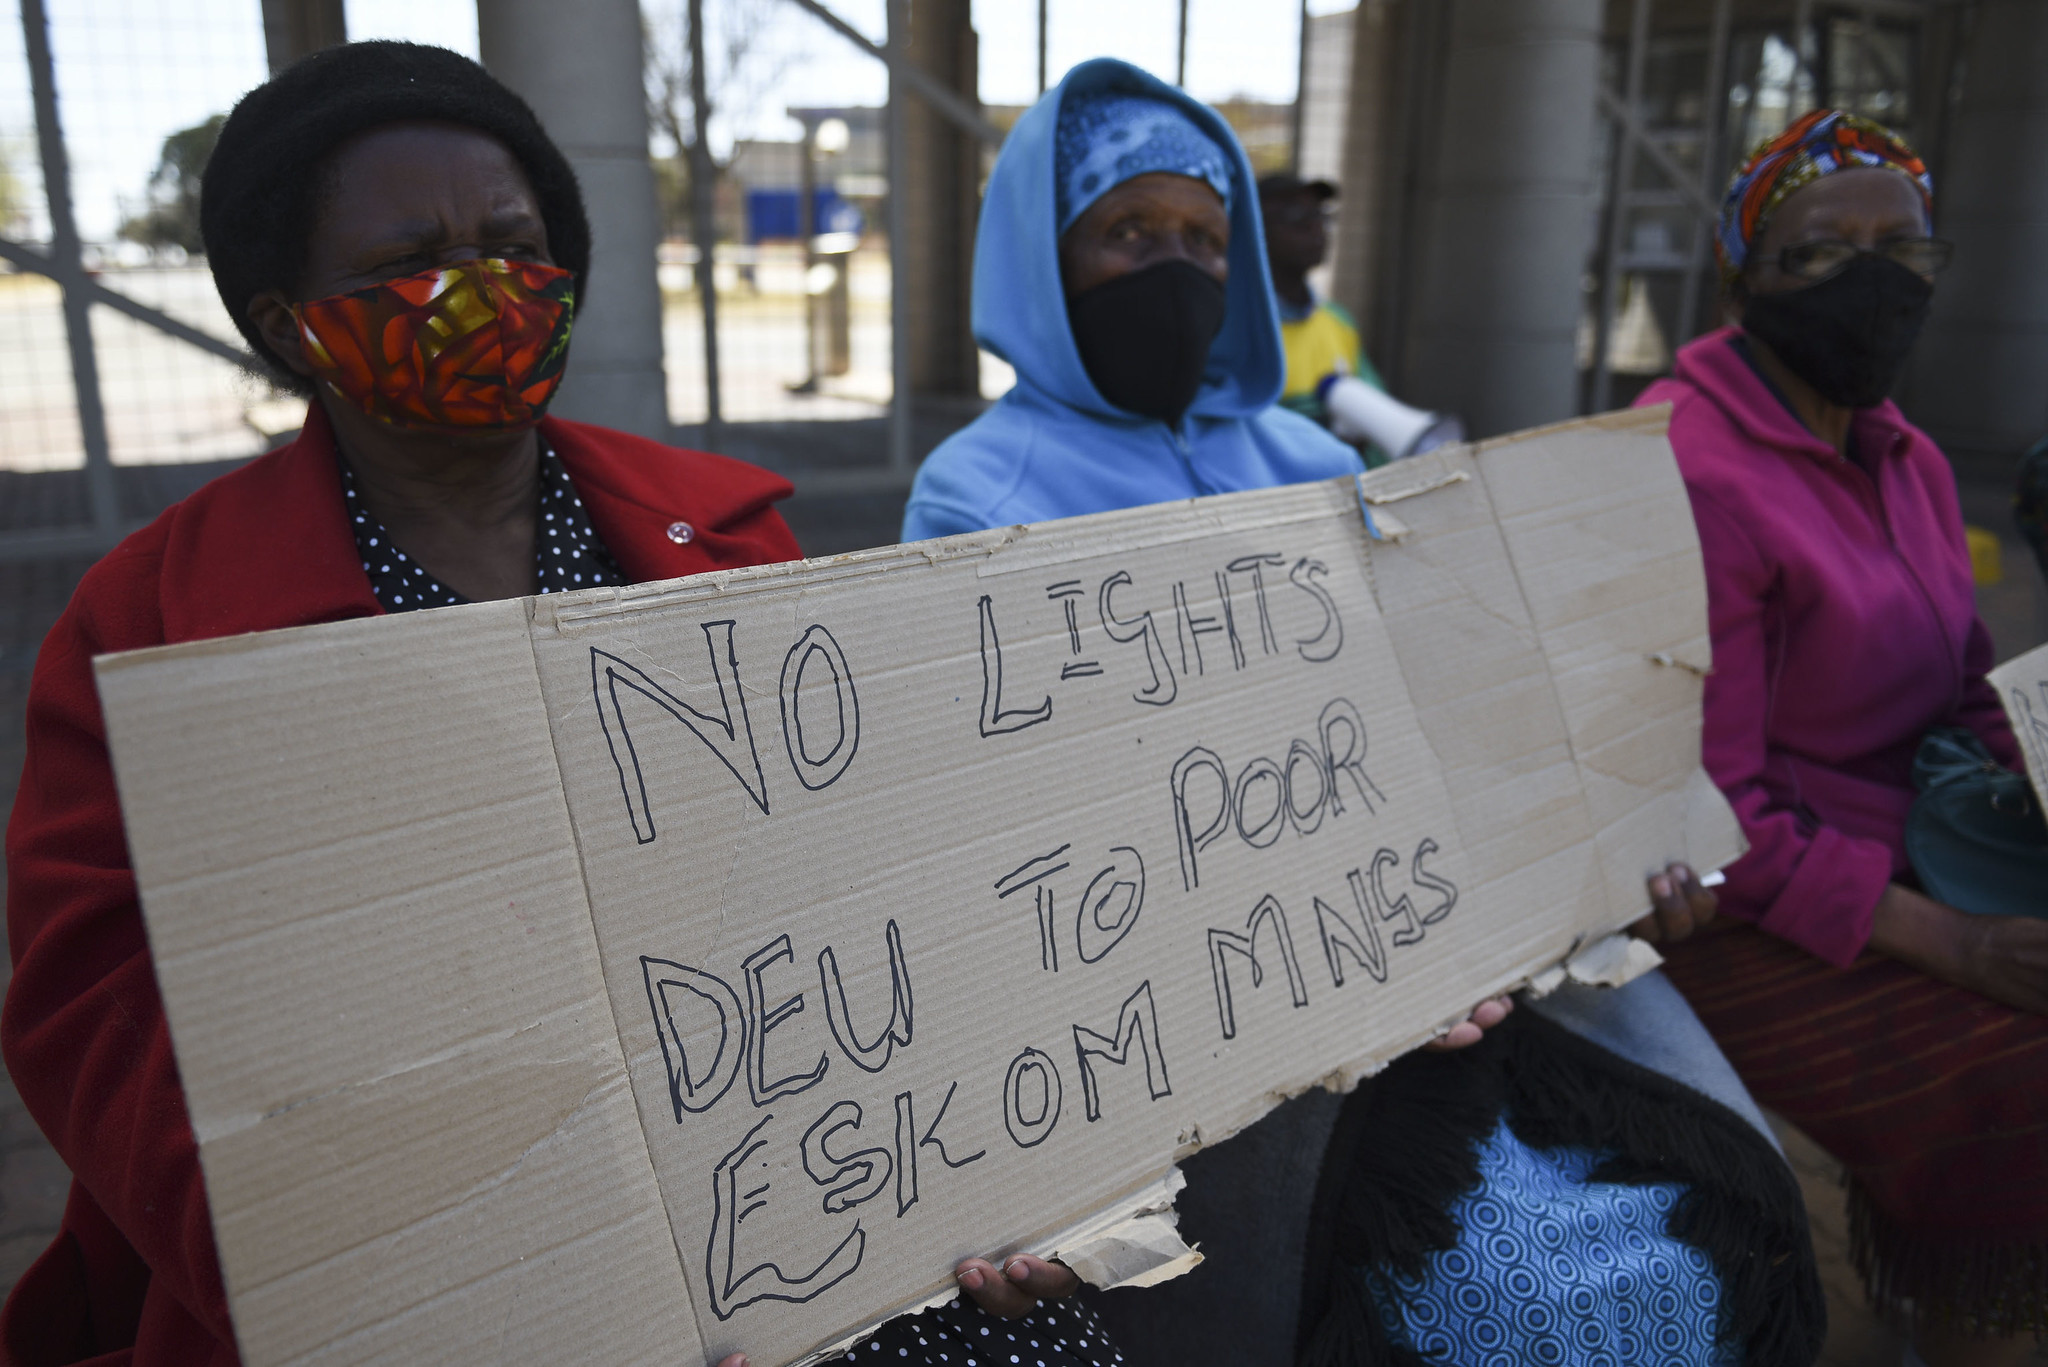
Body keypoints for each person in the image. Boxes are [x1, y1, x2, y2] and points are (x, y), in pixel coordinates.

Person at [0, 43, 1077, 1367]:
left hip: (788, 1189)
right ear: (288, 325)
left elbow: (856, 876)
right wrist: (429, 1296)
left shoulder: (726, 541)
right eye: (412, 259)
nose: (482, 290)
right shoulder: (148, 627)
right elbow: (105, 1021)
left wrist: (970, 1162)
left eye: (513, 246)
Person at [906, 57, 1821, 1367]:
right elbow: (1008, 829)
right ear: (1039, 262)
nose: (1176, 266)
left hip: (1444, 957)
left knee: (1701, 1234)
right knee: (1497, 1309)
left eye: (1204, 237)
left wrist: (1616, 837)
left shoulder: (1316, 460)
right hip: (1204, 1022)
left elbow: (1447, 718)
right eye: (1128, 232)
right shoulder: (972, 493)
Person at [1638, 108, 2048, 1364]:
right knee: (2018, 1079)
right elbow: (1714, 810)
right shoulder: (1683, 466)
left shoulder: (1904, 454)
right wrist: (1959, 941)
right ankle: (1961, 1319)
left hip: (1916, 844)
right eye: (1820, 251)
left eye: (1900, 247)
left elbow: (1962, 690)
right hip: (1742, 907)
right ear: (1741, 277)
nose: (1870, 281)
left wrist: (2024, 799)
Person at [1255, 172, 1381, 430]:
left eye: (1320, 215)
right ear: (1254, 228)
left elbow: (1381, 418)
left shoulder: (1337, 322)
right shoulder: (1232, 326)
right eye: (1295, 216)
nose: (1316, 228)